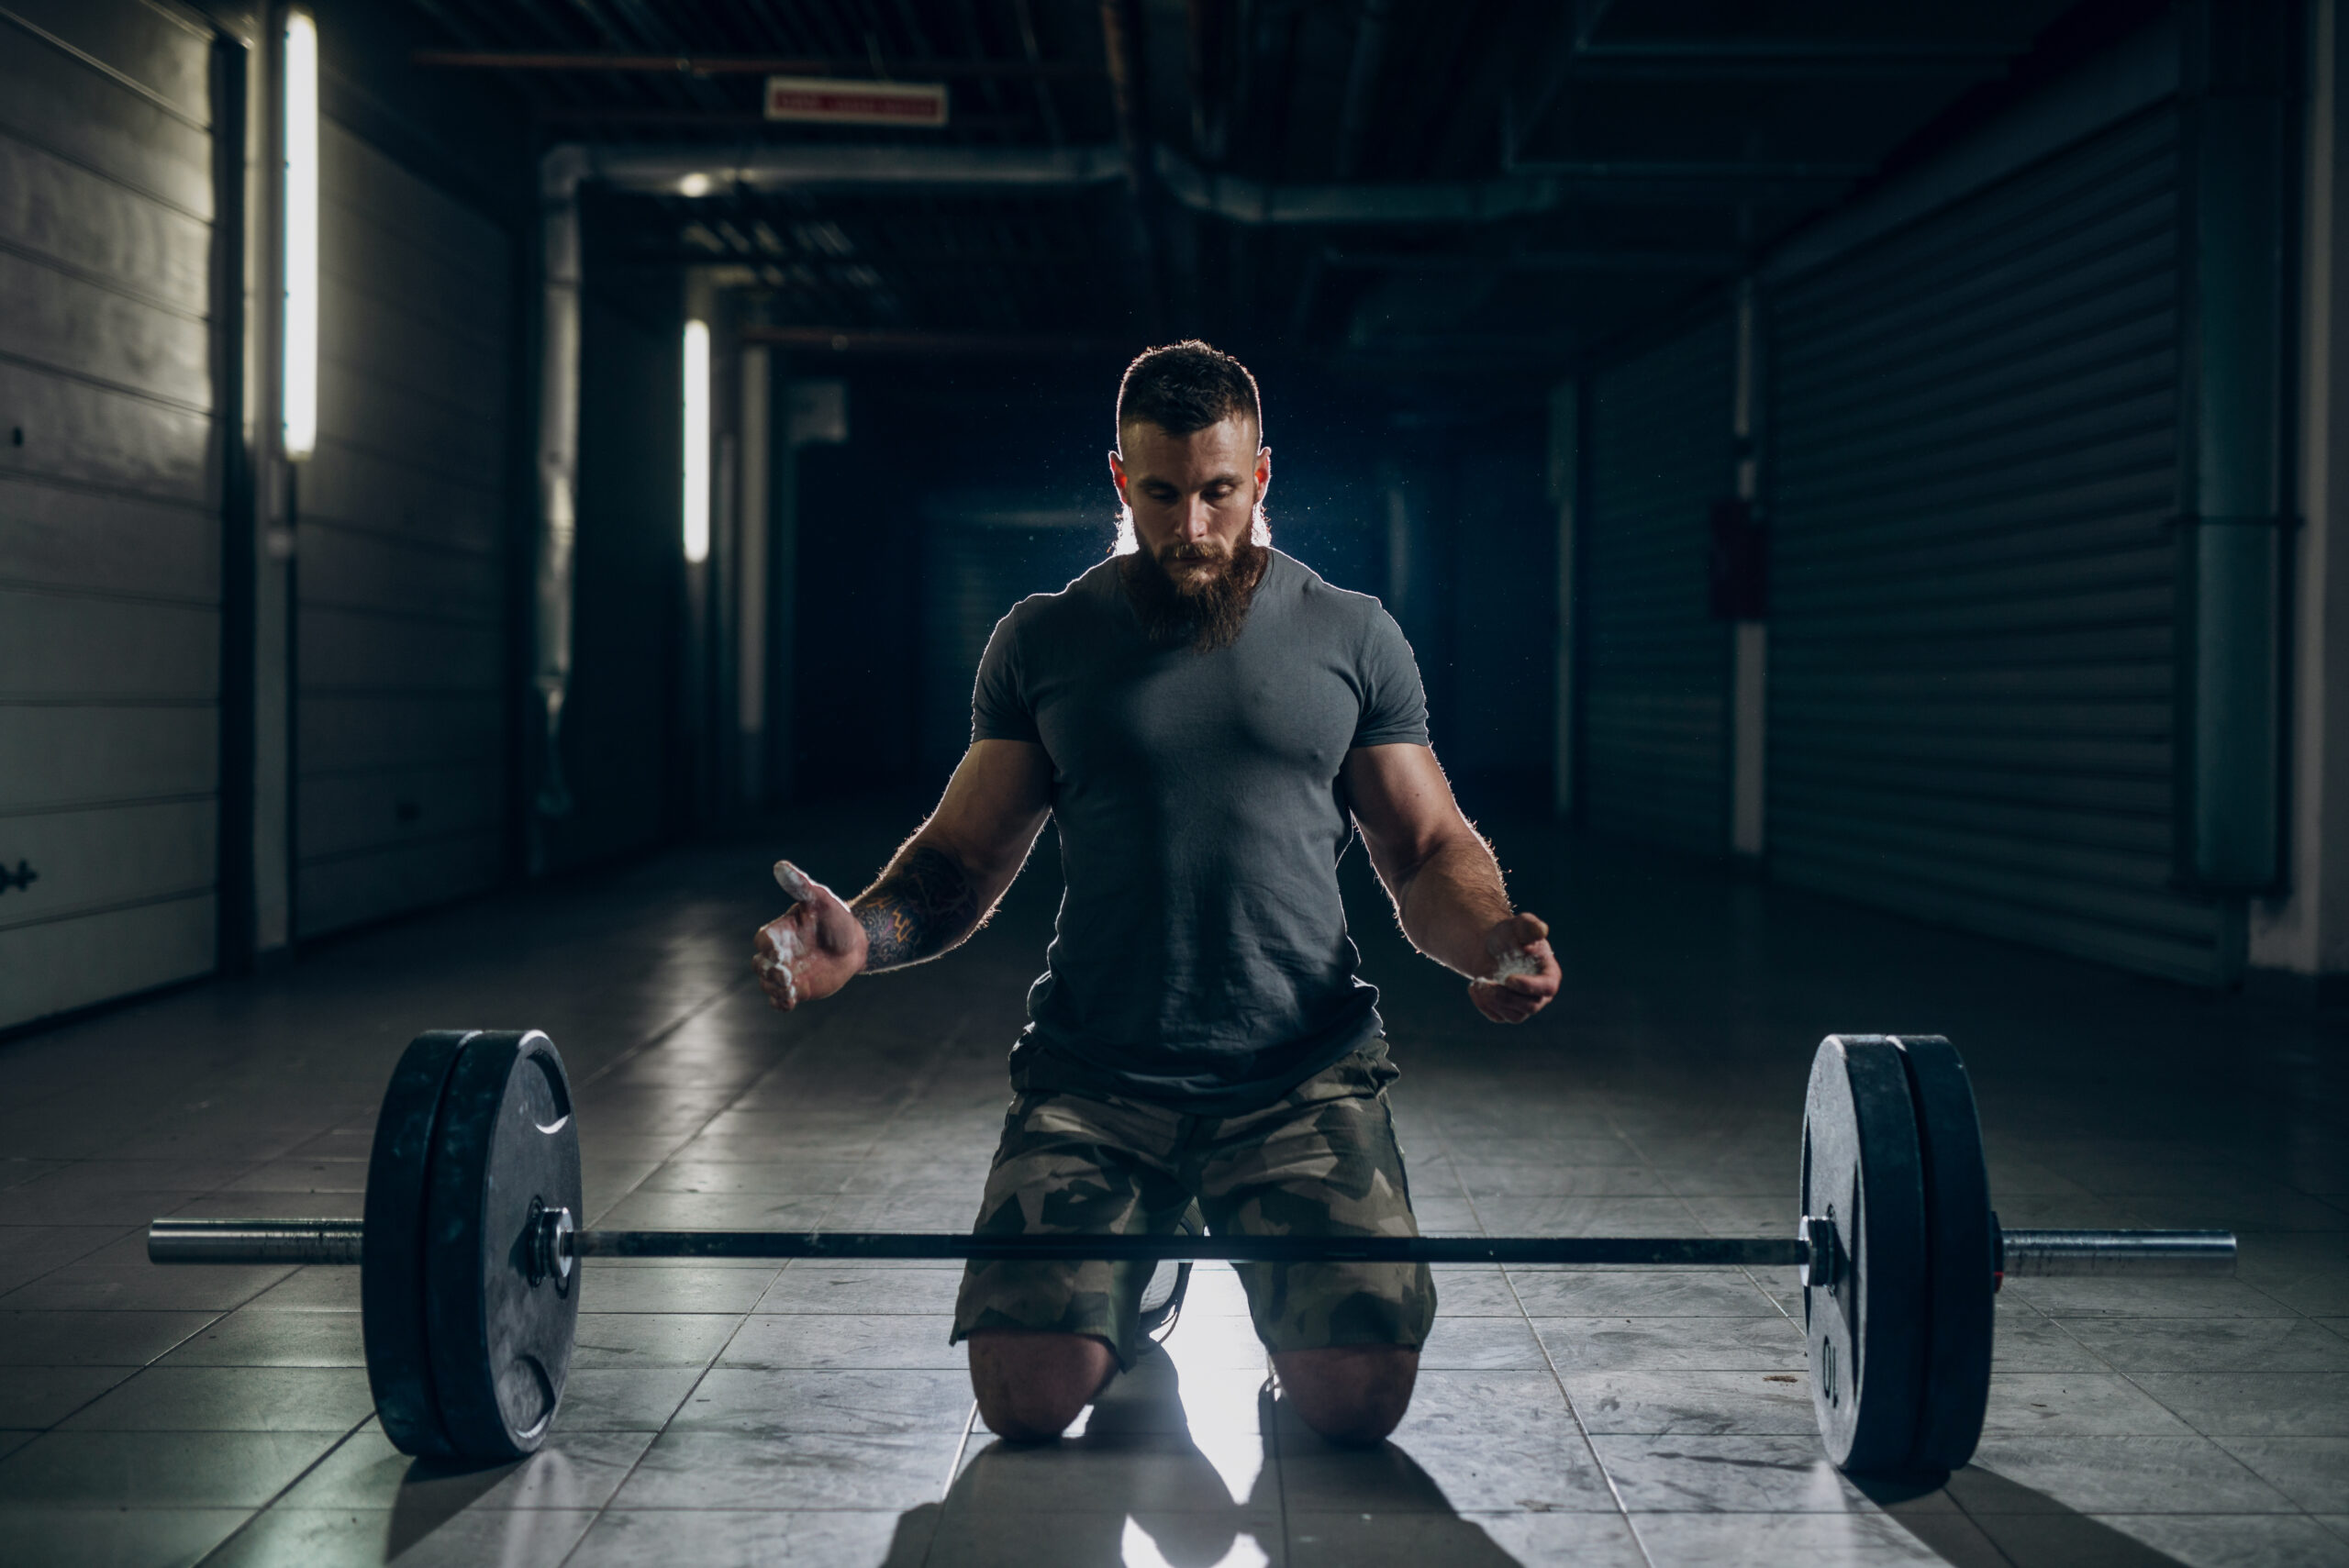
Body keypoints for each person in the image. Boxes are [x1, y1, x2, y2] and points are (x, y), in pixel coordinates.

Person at [752, 340, 1559, 1447]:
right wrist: (866, 936)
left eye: (1218, 492)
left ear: (1260, 478)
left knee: (1358, 1400)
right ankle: (1143, 1275)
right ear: (1121, 482)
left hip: (1299, 1075)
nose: (1191, 527)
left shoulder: (1351, 635)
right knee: (1025, 1401)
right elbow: (963, 859)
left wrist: (1490, 942)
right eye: (1163, 494)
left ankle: (1230, 1284)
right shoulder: (1044, 639)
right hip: (1100, 1076)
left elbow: (1423, 848)